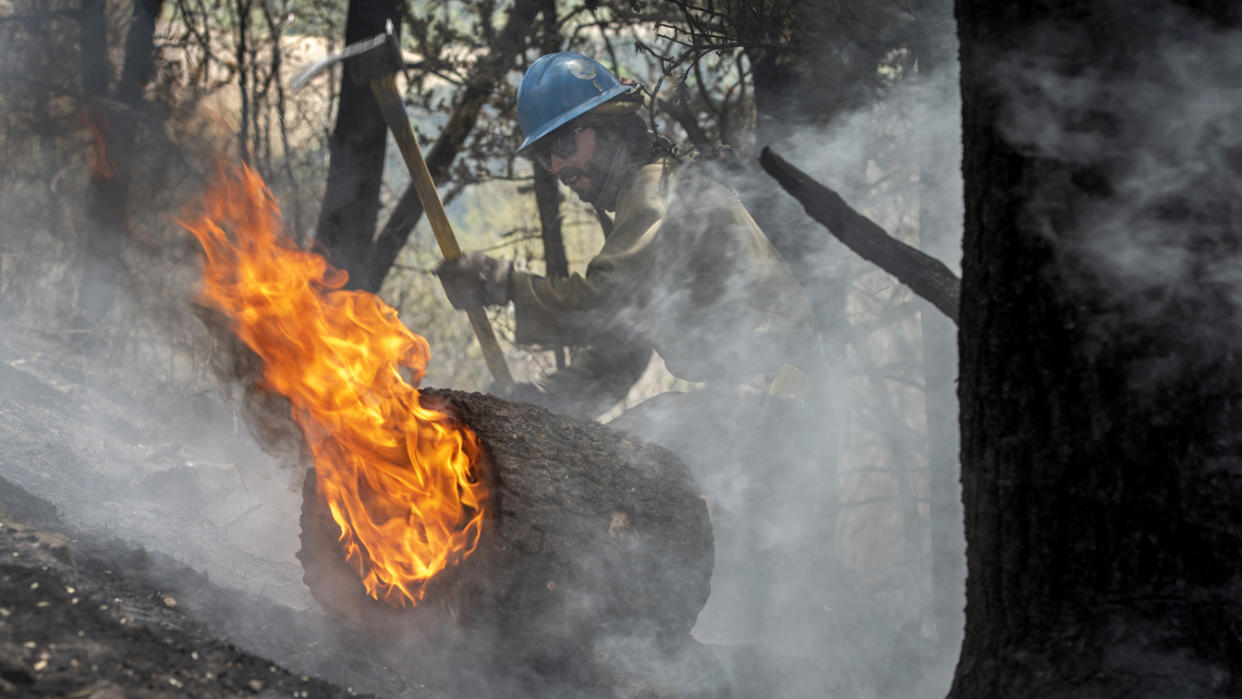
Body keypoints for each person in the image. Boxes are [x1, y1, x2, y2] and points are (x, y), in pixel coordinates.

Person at [437, 53, 833, 646]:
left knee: (626, 471)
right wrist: (535, 409)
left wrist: (506, 285)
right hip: (758, 399)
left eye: (567, 141)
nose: (558, 165)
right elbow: (622, 346)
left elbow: (605, 302)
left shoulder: (658, 195)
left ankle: (689, 657)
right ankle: (672, 655)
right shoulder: (638, 204)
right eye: (547, 153)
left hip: (780, 397)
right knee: (619, 463)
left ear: (614, 124)